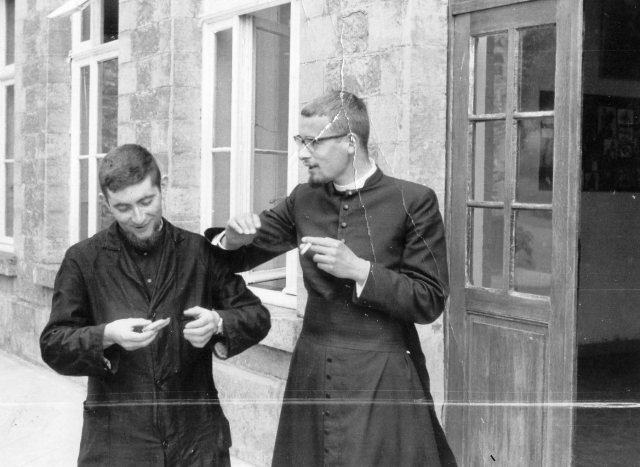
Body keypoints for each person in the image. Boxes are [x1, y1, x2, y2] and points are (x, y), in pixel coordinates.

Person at [206, 91, 457, 466]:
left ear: (350, 143)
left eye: (313, 143)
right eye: (300, 142)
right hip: (312, 365)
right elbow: (237, 256)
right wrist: (231, 239)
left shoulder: (413, 200)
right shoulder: (302, 199)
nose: (303, 153)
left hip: (381, 371)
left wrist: (360, 271)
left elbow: (429, 299)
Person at [40, 144, 271, 466]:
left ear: (162, 188)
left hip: (197, 441)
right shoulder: (82, 260)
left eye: (146, 202)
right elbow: (53, 345)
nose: (138, 217)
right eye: (123, 208)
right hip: (117, 445)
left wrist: (218, 323)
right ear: (106, 204)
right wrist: (107, 335)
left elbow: (257, 315)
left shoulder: (199, 252)